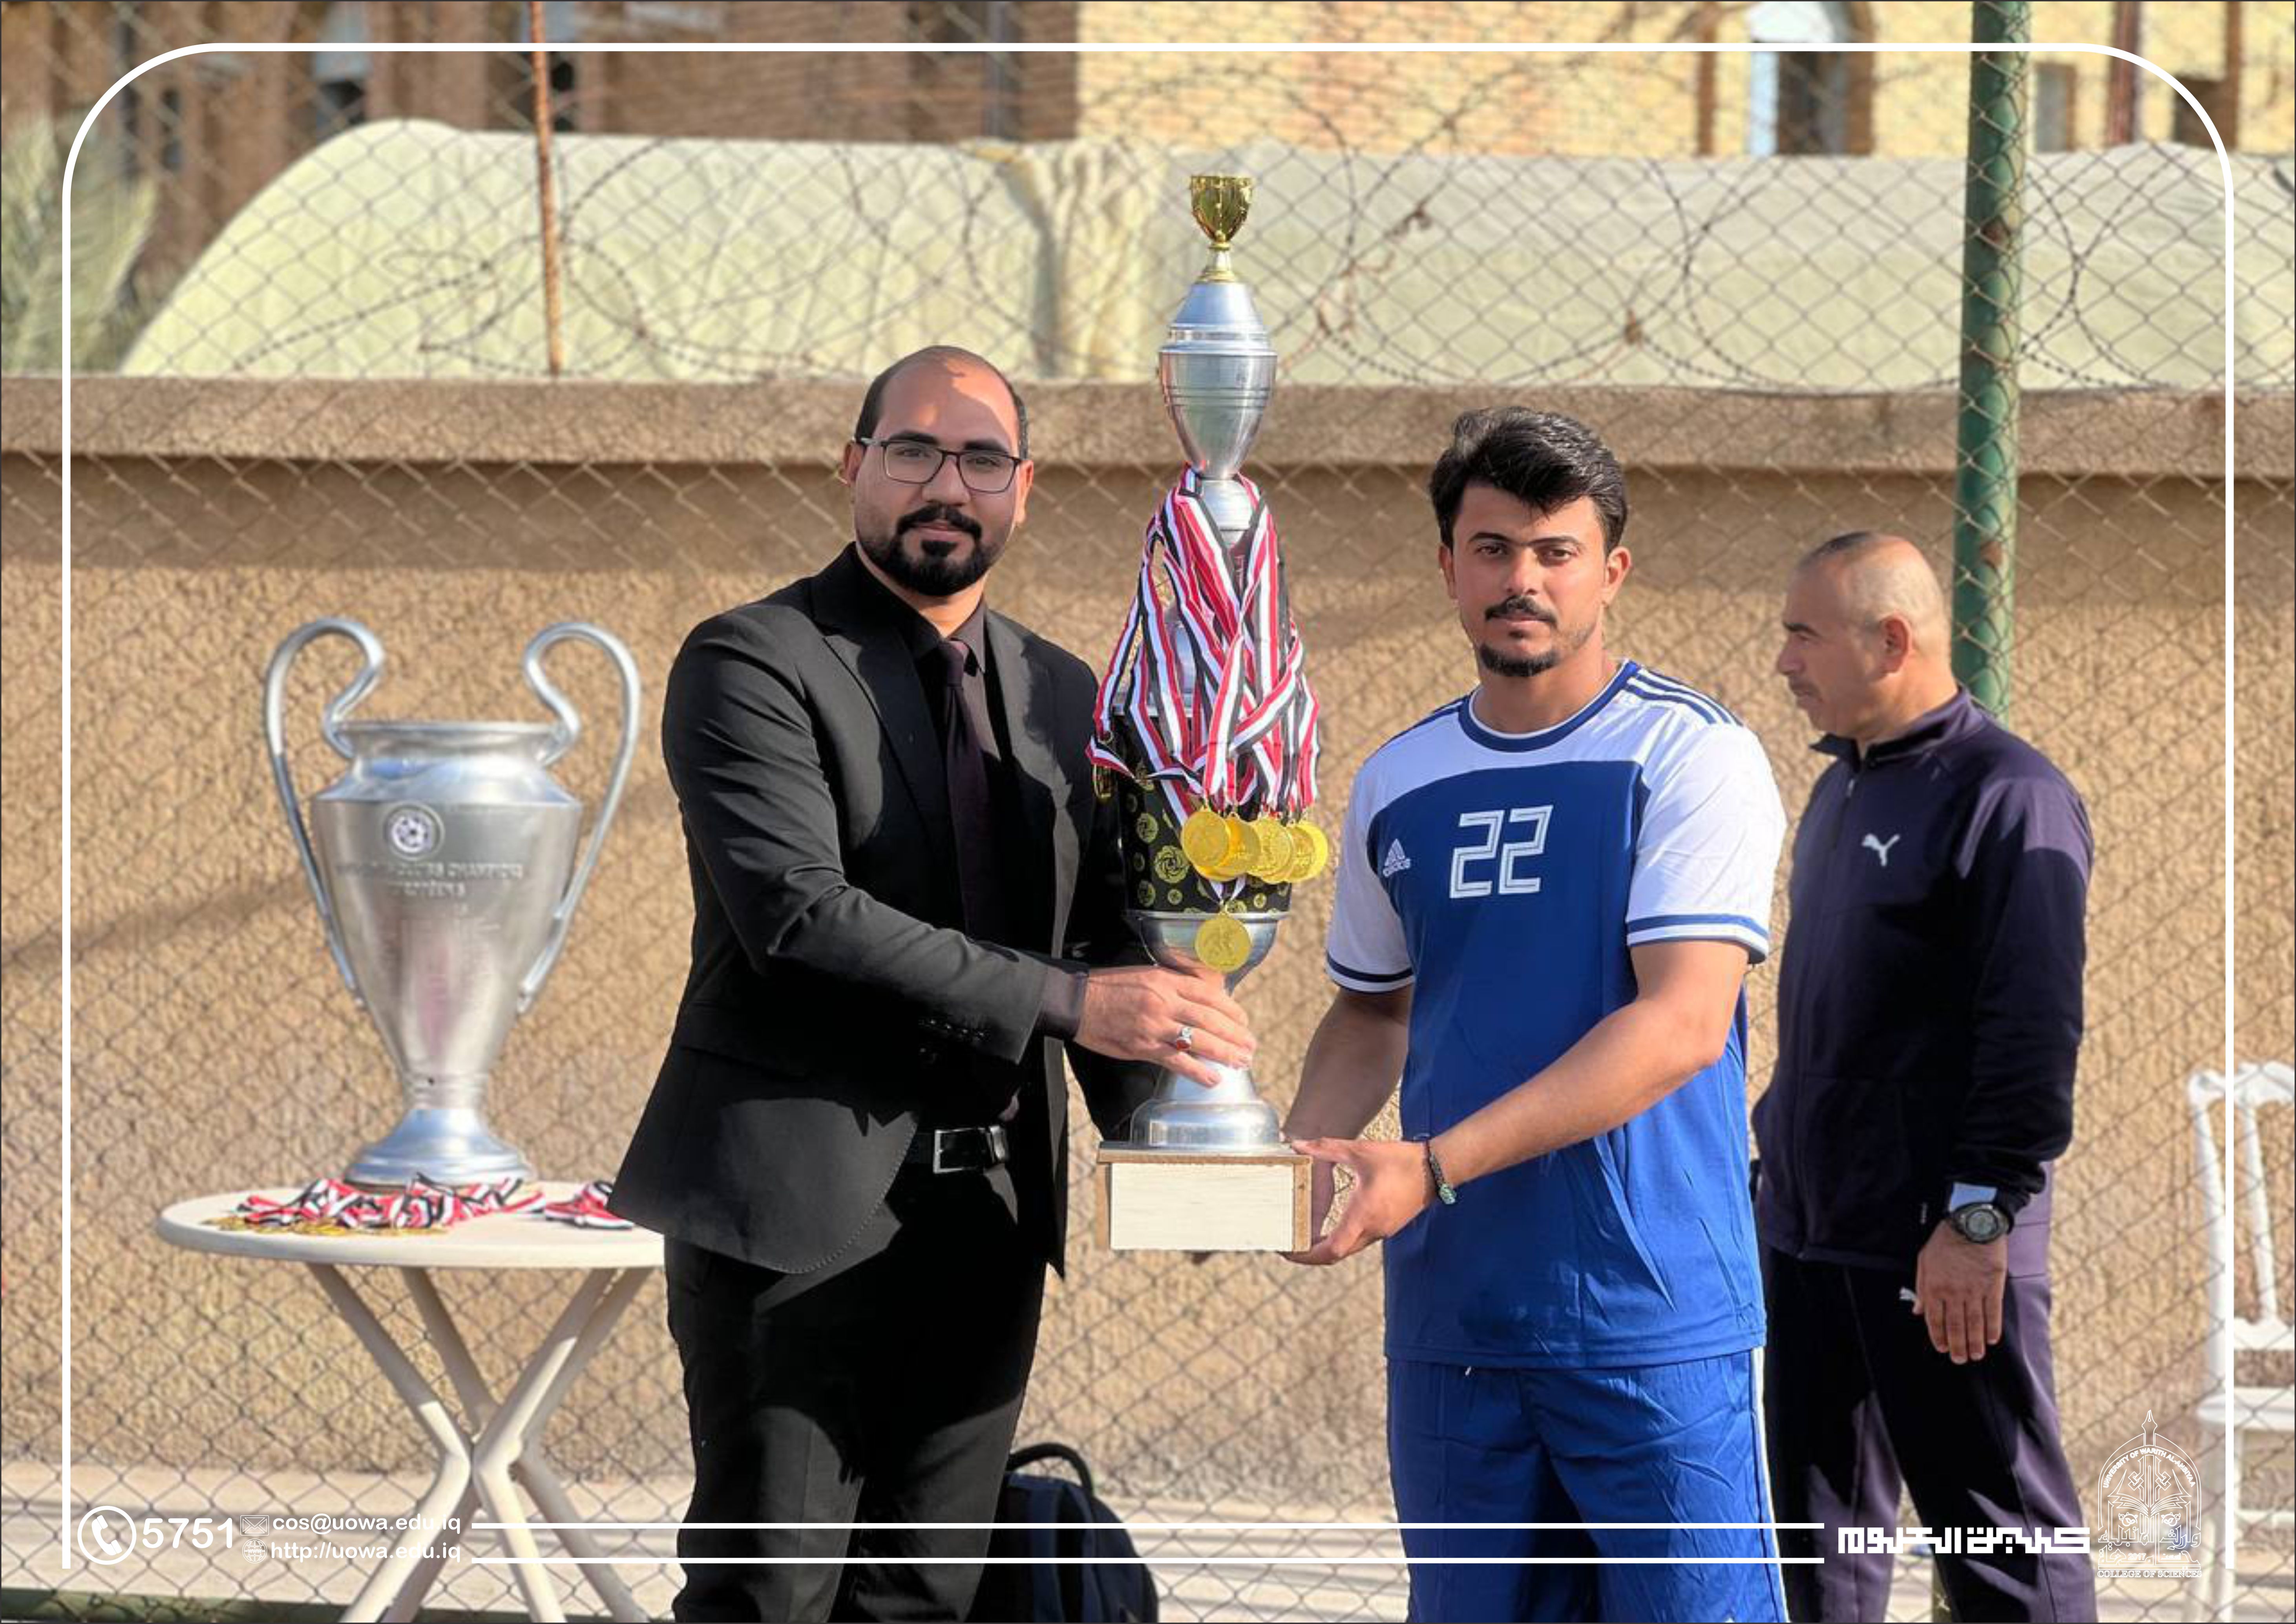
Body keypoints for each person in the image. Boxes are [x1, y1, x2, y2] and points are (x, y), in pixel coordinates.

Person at [608, 345, 1255, 1622]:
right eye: (912, 451)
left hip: (990, 1222)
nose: (944, 486)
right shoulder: (752, 660)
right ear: (854, 466)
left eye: (979, 460)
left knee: (923, 1597)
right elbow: (800, 915)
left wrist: (1182, 1139)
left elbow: (1105, 940)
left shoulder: (1065, 693)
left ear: (1024, 486)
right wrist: (1073, 1001)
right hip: (792, 1217)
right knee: (769, 1594)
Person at [1281, 407, 1788, 1624]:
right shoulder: (1399, 778)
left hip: (1647, 1315)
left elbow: (1680, 1024)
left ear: (1611, 571)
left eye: (1556, 551)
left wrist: (1430, 1165)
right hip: (1455, 1317)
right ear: (1447, 567)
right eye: (1493, 548)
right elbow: (1370, 1013)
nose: (1524, 579)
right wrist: (1283, 1162)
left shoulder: (1689, 754)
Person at [1758, 530, 2098, 1622]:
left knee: (1999, 1544)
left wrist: (1975, 1218)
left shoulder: (2008, 794)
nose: (1784, 661)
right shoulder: (1840, 790)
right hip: (1813, 1235)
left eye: (1803, 635)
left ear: (1891, 640)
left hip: (1940, 1244)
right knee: (1820, 1547)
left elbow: (2031, 1031)